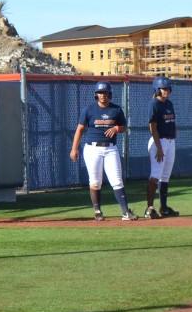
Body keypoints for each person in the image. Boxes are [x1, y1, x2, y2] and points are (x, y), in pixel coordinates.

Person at [69, 82, 137, 221]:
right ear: (96, 94)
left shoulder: (116, 110)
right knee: (95, 181)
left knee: (117, 180)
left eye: (105, 93)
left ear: (109, 94)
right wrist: (74, 148)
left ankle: (125, 212)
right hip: (92, 149)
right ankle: (97, 211)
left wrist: (117, 129)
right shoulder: (89, 109)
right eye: (100, 93)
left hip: (110, 148)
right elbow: (80, 129)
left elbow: (124, 127)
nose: (102, 95)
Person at [145, 76, 179, 219]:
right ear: (157, 89)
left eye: (168, 88)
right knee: (155, 175)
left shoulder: (169, 104)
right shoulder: (154, 104)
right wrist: (159, 147)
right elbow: (152, 127)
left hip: (170, 142)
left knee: (165, 176)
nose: (166, 91)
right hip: (159, 141)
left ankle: (164, 207)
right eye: (163, 89)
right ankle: (149, 208)